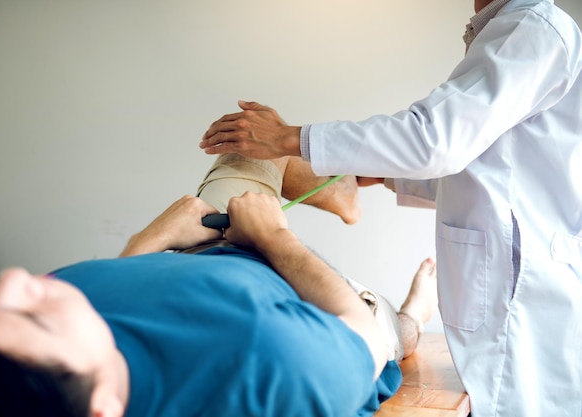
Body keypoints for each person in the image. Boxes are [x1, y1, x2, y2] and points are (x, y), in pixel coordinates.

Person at [198, 1, 582, 416]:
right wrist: (383, 175)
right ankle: (408, 301)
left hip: (522, 288)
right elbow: (490, 172)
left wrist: (288, 138)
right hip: (503, 279)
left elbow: (436, 142)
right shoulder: (514, 31)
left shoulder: (535, 28)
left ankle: (413, 310)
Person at [0, 153, 438, 417]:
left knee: (251, 149)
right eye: (31, 318)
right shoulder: (277, 367)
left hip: (199, 246)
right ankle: (417, 312)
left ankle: (344, 195)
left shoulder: (64, 337)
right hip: (317, 293)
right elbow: (362, 335)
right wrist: (272, 237)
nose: (15, 279)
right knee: (396, 330)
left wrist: (149, 239)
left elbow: (109, 295)